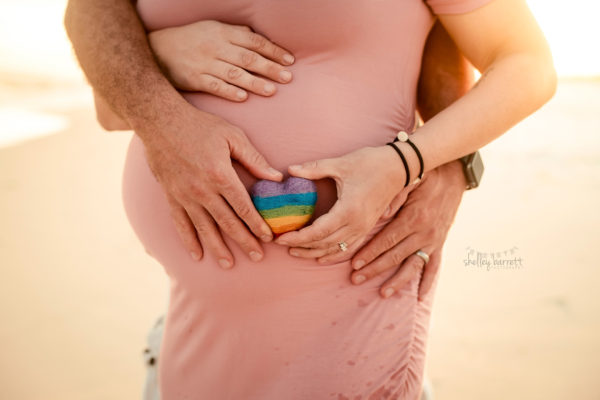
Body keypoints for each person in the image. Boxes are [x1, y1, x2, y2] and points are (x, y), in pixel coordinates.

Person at [64, 1, 556, 399]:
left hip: (349, 333)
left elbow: (525, 62)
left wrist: (416, 161)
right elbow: (105, 85)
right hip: (190, 340)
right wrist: (156, 80)